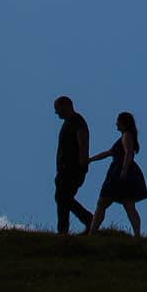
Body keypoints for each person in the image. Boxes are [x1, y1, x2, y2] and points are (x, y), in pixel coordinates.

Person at [88, 111, 147, 236]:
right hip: (123, 172)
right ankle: (137, 234)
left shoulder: (126, 136)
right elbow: (109, 152)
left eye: (118, 121)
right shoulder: (126, 136)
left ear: (123, 123)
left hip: (120, 173)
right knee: (128, 205)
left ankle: (92, 233)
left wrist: (123, 172)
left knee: (103, 202)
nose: (116, 124)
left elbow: (128, 153)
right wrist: (91, 159)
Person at [52, 96, 95, 236]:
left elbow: (82, 141)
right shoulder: (69, 122)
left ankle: (85, 221)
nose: (57, 113)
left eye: (58, 109)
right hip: (65, 168)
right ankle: (82, 223)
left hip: (73, 168)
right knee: (63, 198)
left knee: (63, 197)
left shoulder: (77, 121)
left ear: (66, 106)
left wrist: (83, 161)